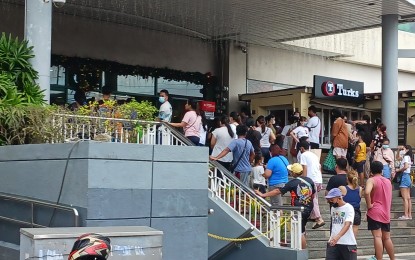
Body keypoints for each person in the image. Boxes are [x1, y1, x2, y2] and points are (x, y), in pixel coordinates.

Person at [256, 163, 315, 249]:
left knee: (299, 232)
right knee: (302, 229)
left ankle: (302, 252)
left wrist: (263, 195)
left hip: (299, 209)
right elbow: (313, 194)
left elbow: (277, 191)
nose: (290, 172)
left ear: (293, 173)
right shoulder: (309, 180)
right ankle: (301, 249)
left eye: (291, 171)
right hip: (309, 208)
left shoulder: (293, 182)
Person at [364, 161, 395, 260]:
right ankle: (392, 259)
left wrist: (369, 205)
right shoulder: (388, 181)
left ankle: (379, 259)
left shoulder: (371, 180)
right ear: (382, 170)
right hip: (386, 212)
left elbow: (367, 192)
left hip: (375, 211)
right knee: (387, 238)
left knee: (377, 237)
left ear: (371, 170)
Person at [298, 140, 325, 229]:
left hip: (311, 179)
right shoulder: (314, 155)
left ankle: (318, 218)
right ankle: (312, 216)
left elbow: (304, 168)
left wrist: (303, 179)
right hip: (318, 179)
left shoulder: (303, 155)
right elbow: (319, 167)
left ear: (301, 148)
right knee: (312, 198)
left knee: (313, 199)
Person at [325, 188, 357, 260]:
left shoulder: (349, 208)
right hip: (333, 242)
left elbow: (347, 224)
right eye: (329, 200)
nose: (330, 202)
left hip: (347, 243)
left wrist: (338, 237)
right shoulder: (333, 208)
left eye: (332, 200)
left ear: (339, 198)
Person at [339, 170, 362, 238]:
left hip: (346, 213)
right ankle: (353, 248)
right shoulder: (360, 189)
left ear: (347, 179)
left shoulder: (342, 188)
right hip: (356, 212)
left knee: (344, 235)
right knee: (353, 237)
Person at [395, 145, 413, 220]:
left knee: (405, 198)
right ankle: (409, 215)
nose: (403, 149)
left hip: (404, 177)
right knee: (408, 198)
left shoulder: (406, 157)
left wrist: (398, 170)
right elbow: (397, 158)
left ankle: (406, 215)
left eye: (404, 148)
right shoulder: (408, 157)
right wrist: (399, 150)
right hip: (408, 177)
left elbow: (405, 167)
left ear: (407, 149)